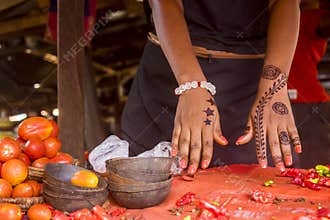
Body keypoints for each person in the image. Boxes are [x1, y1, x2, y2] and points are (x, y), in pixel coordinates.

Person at [122, 0, 302, 175]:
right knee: (150, 190)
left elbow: (285, 2)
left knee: (269, 190)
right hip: (172, 80)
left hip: (255, 89)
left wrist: (274, 85)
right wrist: (191, 84)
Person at [288, 0, 330, 168]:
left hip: (308, 103)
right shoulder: (275, 13)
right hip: (276, 100)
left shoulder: (315, 17)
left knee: (314, 169)